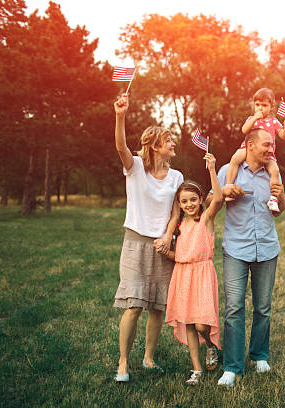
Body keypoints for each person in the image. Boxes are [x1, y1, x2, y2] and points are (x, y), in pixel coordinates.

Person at [112, 93, 184, 382]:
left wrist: (168, 237)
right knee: (134, 306)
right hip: (135, 243)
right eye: (168, 140)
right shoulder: (135, 168)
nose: (172, 143)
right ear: (155, 146)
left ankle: (149, 358)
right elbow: (120, 146)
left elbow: (176, 212)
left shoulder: (176, 177)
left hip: (163, 247)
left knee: (156, 307)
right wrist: (120, 115)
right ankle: (123, 363)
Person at [212, 128, 285, 387]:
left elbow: (279, 210)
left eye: (271, 146)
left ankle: (259, 355)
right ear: (250, 145)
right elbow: (212, 200)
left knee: (263, 307)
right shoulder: (228, 170)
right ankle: (232, 367)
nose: (269, 150)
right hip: (236, 249)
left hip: (266, 248)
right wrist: (225, 193)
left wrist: (282, 196)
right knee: (234, 308)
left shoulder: (273, 172)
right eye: (266, 145)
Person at [158, 153, 223, 386]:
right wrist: (166, 252)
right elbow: (182, 255)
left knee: (201, 324)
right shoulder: (180, 226)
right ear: (180, 204)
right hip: (183, 275)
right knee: (188, 324)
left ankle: (212, 344)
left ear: (200, 199)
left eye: (193, 200)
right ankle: (196, 369)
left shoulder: (205, 219)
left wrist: (213, 169)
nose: (189, 205)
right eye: (184, 202)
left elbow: (219, 199)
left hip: (203, 274)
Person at [224, 88, 285, 214]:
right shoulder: (251, 118)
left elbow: (283, 135)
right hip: (247, 148)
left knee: (275, 171)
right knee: (234, 160)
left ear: (271, 107)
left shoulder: (273, 121)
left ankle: (273, 199)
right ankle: (229, 187)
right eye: (257, 105)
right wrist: (255, 118)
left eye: (264, 105)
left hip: (268, 154)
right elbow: (244, 130)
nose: (260, 108)